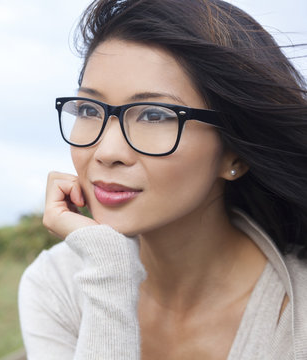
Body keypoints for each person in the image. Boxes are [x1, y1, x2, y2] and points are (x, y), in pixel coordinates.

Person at [18, 0, 307, 359]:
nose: (107, 151)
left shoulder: (296, 315)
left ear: (235, 153)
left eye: (154, 116)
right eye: (90, 110)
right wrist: (110, 274)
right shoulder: (56, 284)